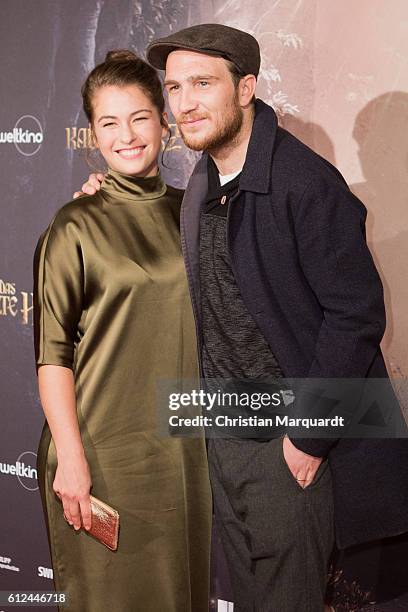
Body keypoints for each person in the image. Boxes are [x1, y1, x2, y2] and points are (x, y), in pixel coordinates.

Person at [78, 24, 408, 612]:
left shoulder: (306, 184)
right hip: (220, 429)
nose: (184, 103)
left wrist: (307, 437)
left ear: (247, 87)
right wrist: (104, 199)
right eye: (175, 87)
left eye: (203, 83)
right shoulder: (205, 177)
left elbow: (356, 315)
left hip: (287, 440)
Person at [33, 49, 211, 612]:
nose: (127, 135)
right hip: (100, 457)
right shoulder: (74, 225)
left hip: (184, 460)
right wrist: (72, 461)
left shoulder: (197, 214)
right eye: (109, 122)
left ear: (164, 120)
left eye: (139, 117)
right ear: (91, 133)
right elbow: (53, 355)